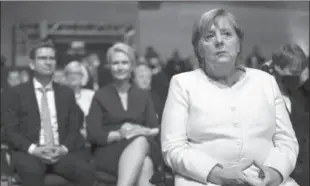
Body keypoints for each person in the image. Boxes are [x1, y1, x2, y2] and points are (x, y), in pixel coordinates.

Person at [161, 8, 299, 186]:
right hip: (204, 180)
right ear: (199, 49)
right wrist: (216, 174)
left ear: (239, 44)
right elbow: (173, 147)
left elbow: (286, 141)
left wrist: (274, 173)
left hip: (267, 181)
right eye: (209, 36)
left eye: (227, 34)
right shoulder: (183, 84)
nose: (219, 41)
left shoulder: (265, 81)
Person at [1, 41, 95, 186]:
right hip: (30, 152)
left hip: (60, 152)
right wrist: (34, 150)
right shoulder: (16, 93)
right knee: (32, 171)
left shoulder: (66, 93)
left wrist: (63, 149)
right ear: (32, 64)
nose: (48, 62)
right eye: (43, 58)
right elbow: (11, 131)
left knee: (86, 171)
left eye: (51, 58)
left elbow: (74, 129)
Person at [87, 42, 159, 186]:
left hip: (141, 146)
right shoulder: (100, 95)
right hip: (109, 152)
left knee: (141, 145)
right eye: (115, 63)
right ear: (110, 67)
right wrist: (121, 134)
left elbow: (154, 128)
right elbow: (94, 134)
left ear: (132, 66)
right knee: (145, 163)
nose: (120, 67)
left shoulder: (143, 95)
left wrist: (134, 131)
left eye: (124, 63)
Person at [269, 44, 309, 186]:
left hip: (299, 171)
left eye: (299, 72)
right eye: (293, 72)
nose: (296, 77)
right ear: (277, 69)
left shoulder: (298, 97)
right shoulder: (264, 94)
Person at [64, 61, 95, 139]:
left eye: (77, 73)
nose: (73, 76)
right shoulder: (59, 95)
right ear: (66, 76)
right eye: (70, 73)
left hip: (89, 138)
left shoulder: (91, 95)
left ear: (83, 76)